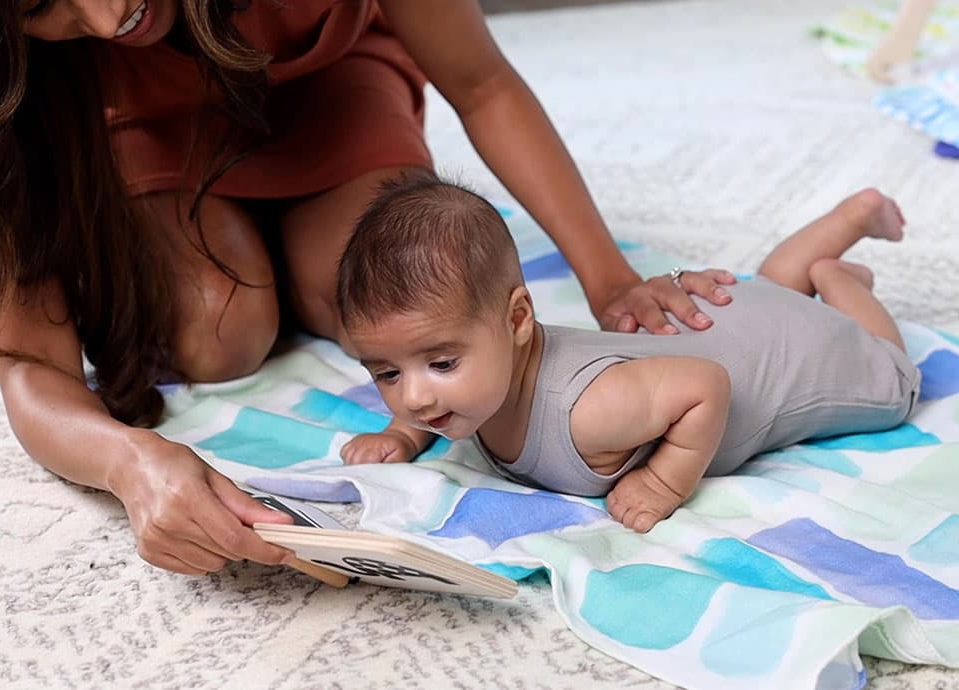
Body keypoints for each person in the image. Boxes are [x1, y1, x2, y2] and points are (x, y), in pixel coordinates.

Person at [0, 0, 735, 576]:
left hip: (328, 92)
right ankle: (234, 241)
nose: (104, 19)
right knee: (217, 333)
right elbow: (32, 367)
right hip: (142, 126)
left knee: (388, 299)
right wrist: (130, 462)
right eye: (40, 3)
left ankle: (283, 241)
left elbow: (480, 82)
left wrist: (609, 278)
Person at [338, 175, 921, 533]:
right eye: (387, 372)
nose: (414, 395)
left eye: (440, 364)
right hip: (729, 323)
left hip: (787, 358)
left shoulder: (588, 410)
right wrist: (406, 435)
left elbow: (707, 385)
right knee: (770, 291)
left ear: (518, 319)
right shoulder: (468, 380)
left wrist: (667, 482)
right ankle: (847, 219)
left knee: (896, 385)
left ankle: (841, 280)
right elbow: (421, 396)